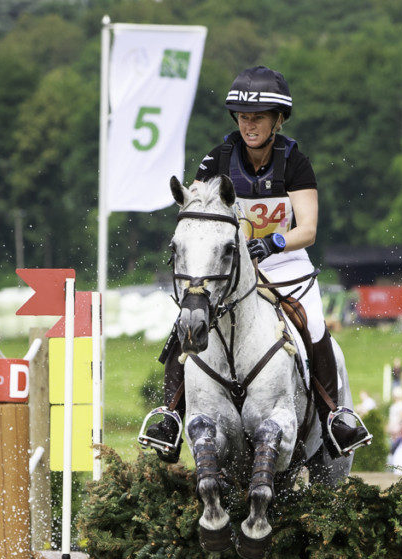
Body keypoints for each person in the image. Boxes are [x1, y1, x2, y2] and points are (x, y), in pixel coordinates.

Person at [144, 65, 368, 460]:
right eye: (245, 117)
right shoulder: (217, 159)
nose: (250, 125)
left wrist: (272, 242)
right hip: (231, 267)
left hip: (284, 262)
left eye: (259, 118)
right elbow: (197, 211)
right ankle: (170, 416)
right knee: (187, 320)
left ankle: (336, 415)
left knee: (314, 324)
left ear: (277, 121)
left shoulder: (294, 162)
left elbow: (309, 228)